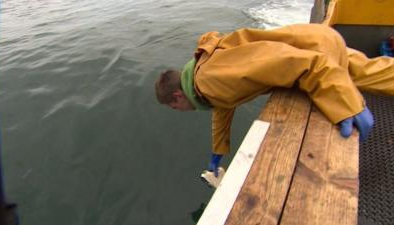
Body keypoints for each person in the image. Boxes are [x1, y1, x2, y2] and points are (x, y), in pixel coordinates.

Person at [155, 23, 394, 176]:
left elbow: (303, 64)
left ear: (177, 95)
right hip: (314, 38)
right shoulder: (203, 76)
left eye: (175, 107)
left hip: (316, 53)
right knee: (380, 74)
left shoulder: (208, 81)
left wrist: (347, 104)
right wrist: (218, 150)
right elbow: (223, 104)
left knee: (359, 83)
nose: (179, 110)